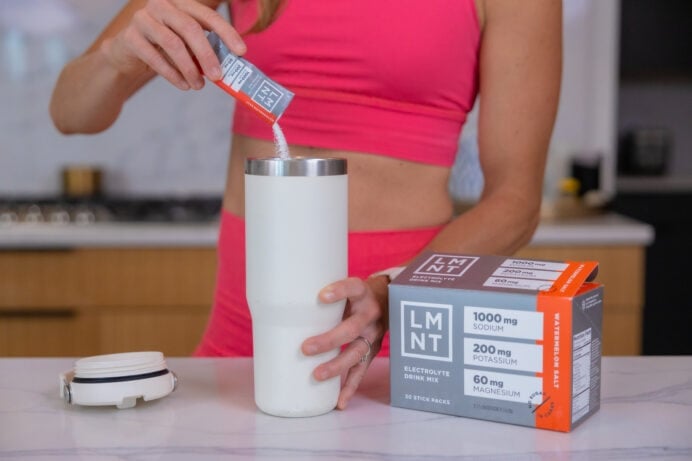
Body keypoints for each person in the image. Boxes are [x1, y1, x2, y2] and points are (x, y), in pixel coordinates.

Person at [50, 0, 562, 410]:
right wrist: (118, 56)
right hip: (241, 348)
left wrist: (393, 293)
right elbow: (71, 112)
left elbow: (515, 201)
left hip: (401, 349)